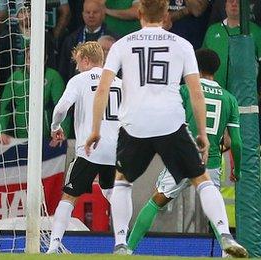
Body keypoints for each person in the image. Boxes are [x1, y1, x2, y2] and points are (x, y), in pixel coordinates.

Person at [85, 0, 247, 257]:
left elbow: (103, 88)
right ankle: (225, 235)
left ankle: (120, 244)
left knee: (123, 182)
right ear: (165, 14)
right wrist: (203, 133)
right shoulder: (182, 45)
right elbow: (196, 91)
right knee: (202, 180)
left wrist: (95, 128)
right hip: (170, 123)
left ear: (138, 13)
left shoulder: (122, 44)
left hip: (134, 124)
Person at [125, 49, 242, 255]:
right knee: (214, 208)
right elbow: (238, 143)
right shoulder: (229, 99)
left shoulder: (185, 91)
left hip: (182, 157)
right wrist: (237, 170)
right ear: (217, 69)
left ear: (195, 67)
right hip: (211, 161)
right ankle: (226, 253)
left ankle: (128, 249)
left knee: (157, 200)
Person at [45, 41, 121, 254]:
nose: (77, 67)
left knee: (69, 196)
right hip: (116, 149)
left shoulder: (79, 80)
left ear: (86, 60)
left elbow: (61, 108)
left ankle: (53, 246)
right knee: (113, 193)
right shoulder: (119, 81)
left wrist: (55, 126)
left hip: (90, 148)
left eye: (78, 62)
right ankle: (124, 242)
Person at [0, 47, 65, 144]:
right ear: (25, 60)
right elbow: (4, 108)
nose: (32, 62)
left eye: (37, 57)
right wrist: (0, 131)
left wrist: (61, 133)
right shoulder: (15, 78)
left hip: (46, 138)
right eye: (29, 58)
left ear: (45, 59)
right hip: (19, 136)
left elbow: (63, 109)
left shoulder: (53, 77)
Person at [202, 0, 261, 88]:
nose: (234, 4)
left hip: (244, 94)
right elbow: (203, 62)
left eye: (238, 2)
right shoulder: (212, 30)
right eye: (230, 1)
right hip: (216, 92)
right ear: (225, 6)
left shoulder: (256, 31)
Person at [59, 0, 117, 82]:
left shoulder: (114, 39)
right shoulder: (71, 39)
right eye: (88, 12)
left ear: (103, 14)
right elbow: (64, 71)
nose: (91, 15)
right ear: (82, 14)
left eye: (95, 12)